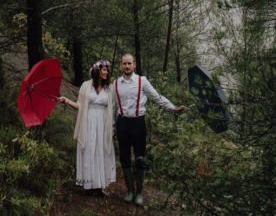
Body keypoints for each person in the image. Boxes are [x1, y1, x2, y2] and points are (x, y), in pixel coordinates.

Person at [112, 53, 185, 206]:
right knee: (124, 158)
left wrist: (173, 108)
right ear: (120, 65)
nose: (126, 66)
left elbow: (157, 97)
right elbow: (114, 107)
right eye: (124, 63)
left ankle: (139, 193)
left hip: (138, 123)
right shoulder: (116, 83)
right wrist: (114, 127)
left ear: (134, 65)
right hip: (122, 123)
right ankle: (130, 191)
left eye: (129, 63)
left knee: (140, 157)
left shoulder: (142, 81)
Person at [58, 59, 117, 195]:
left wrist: (113, 128)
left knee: (101, 150)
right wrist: (66, 101)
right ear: (97, 71)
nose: (106, 72)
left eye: (107, 70)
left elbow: (112, 109)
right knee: (90, 149)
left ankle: (100, 185)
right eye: (104, 70)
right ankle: (89, 183)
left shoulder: (110, 89)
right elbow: (80, 105)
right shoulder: (86, 86)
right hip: (88, 121)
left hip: (103, 122)